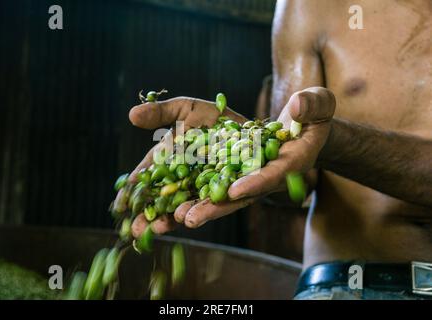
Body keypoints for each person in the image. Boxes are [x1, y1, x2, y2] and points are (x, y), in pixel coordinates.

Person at [127, 0, 432, 299]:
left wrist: (334, 142)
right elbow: (294, 171)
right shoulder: (311, 5)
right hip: (344, 284)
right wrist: (253, 154)